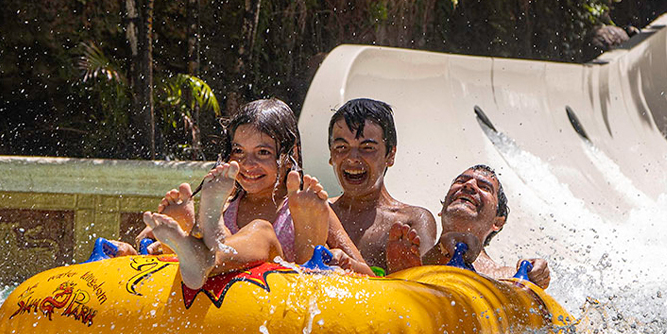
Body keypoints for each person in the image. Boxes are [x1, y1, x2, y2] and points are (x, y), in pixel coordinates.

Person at [142, 98, 361, 289]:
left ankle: (208, 256)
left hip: (285, 298)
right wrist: (154, 243)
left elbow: (369, 276)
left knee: (261, 231)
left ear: (290, 153)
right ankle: (190, 242)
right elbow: (140, 246)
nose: (247, 164)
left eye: (263, 152)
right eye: (238, 151)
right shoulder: (225, 204)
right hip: (228, 303)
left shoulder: (308, 207)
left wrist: (344, 261)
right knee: (215, 230)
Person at [385, 164, 552, 288]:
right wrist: (398, 274)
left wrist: (533, 273)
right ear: (442, 210)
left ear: (497, 222)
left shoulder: (507, 274)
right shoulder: (410, 255)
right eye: (461, 181)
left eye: (484, 187)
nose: (469, 185)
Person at [325, 98, 437, 274]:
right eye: (341, 147)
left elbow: (423, 290)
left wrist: (400, 272)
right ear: (331, 154)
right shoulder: (318, 211)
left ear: (390, 155)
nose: (352, 157)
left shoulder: (410, 221)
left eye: (367, 148)